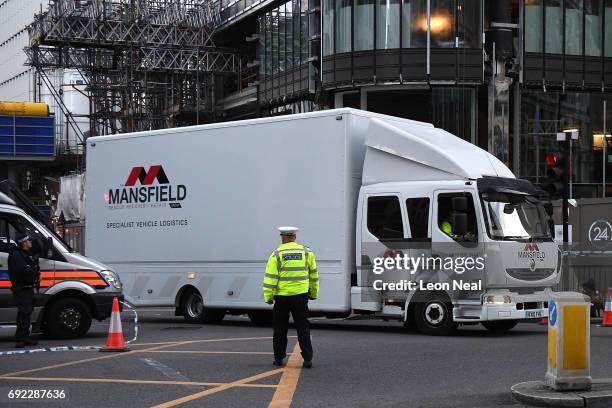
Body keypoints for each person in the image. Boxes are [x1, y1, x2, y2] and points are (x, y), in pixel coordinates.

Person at [263, 226, 318, 368]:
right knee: (303, 327)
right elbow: (313, 275)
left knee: (280, 328)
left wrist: (268, 297)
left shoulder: (276, 254)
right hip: (301, 296)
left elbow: (270, 278)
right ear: (294, 237)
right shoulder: (307, 252)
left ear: (283, 237)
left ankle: (279, 358)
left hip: (282, 298)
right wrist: (313, 293)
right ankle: (307, 359)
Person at [7, 233, 40, 348]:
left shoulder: (25, 254)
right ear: (24, 243)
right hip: (21, 289)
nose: (30, 242)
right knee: (23, 314)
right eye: (29, 241)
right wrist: (34, 269)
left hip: (27, 288)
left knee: (26, 314)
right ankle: (20, 339)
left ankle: (25, 337)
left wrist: (34, 268)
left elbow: (32, 270)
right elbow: (24, 271)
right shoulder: (16, 255)